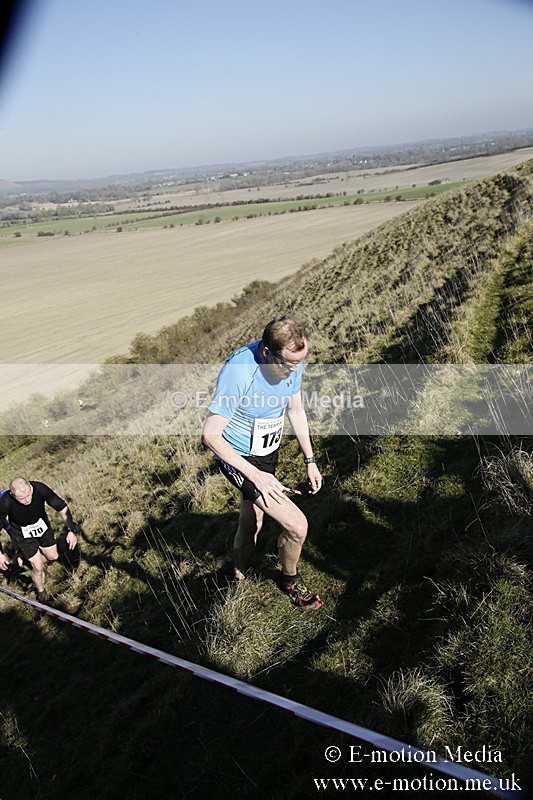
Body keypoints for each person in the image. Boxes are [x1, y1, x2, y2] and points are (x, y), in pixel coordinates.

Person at [202, 316, 323, 610]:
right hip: (239, 457)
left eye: (300, 361)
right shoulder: (240, 371)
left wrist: (310, 459)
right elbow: (210, 435)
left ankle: (238, 576)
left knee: (251, 520)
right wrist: (256, 475)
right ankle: (289, 580)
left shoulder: (290, 358)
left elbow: (295, 409)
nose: (295, 370)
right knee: (297, 526)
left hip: (267, 452)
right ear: (267, 352)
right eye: (288, 364)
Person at [0, 478, 78, 603]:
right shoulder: (5, 502)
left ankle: (29, 559)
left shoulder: (39, 489)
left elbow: (62, 508)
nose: (27, 500)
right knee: (38, 567)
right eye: (21, 498)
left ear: (30, 487)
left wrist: (71, 530)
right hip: (22, 535)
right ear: (12, 495)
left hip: (42, 527)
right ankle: (41, 591)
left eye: (28, 495)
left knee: (53, 556)